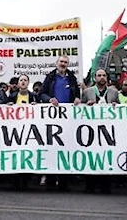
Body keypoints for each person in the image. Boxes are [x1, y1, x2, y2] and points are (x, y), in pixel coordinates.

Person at [39, 55, 81, 191]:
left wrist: (76, 99)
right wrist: (49, 99)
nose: (63, 64)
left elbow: (77, 95)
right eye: (61, 62)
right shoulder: (50, 77)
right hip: (52, 118)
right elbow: (42, 94)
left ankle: (64, 182)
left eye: (65, 62)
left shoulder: (72, 78)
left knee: (66, 148)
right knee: (52, 148)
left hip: (68, 119)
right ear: (56, 63)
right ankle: (51, 181)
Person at [81, 69, 119, 194]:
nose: (101, 77)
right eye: (99, 75)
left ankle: (105, 185)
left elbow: (121, 109)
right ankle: (90, 185)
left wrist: (116, 105)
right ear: (94, 78)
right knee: (91, 156)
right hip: (92, 128)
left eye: (104, 75)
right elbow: (80, 110)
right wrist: (86, 105)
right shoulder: (87, 92)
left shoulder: (113, 92)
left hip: (108, 129)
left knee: (106, 156)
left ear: (107, 78)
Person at [6, 74, 39, 190]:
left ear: (28, 83)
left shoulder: (34, 97)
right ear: (19, 83)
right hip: (15, 131)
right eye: (21, 80)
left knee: (26, 156)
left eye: (25, 80)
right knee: (15, 155)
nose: (23, 82)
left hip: (29, 132)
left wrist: (37, 106)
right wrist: (8, 106)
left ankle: (26, 181)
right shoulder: (12, 96)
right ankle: (14, 181)